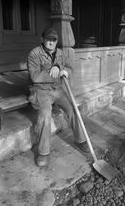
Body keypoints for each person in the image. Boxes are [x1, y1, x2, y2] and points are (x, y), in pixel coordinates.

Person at [27, 28, 89, 167]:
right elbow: (35, 76)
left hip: (58, 89)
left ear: (57, 41)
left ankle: (81, 140)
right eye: (48, 39)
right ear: (42, 39)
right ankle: (43, 152)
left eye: (54, 40)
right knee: (45, 115)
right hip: (41, 90)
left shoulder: (60, 53)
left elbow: (70, 68)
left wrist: (64, 71)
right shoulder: (34, 54)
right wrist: (54, 71)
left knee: (73, 108)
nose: (51, 42)